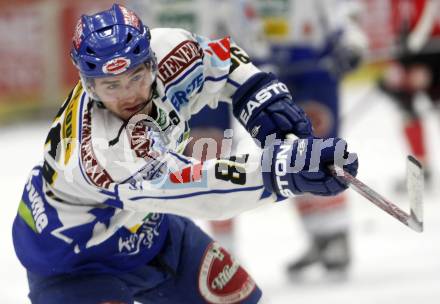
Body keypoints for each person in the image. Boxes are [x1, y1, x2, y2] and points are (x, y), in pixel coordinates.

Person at [12, 4, 358, 304]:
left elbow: (222, 59)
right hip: (74, 265)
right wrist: (282, 173)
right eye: (111, 86)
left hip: (151, 232)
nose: (128, 94)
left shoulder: (170, 49)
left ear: (150, 61)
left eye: (135, 76)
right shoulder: (100, 149)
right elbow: (201, 190)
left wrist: (262, 98)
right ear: (89, 86)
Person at [255, 0, 368, 277]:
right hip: (273, 74)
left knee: (322, 151)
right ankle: (317, 236)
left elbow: (347, 16)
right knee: (288, 155)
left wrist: (352, 46)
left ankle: (338, 235)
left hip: (316, 72)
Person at [378, 0, 440, 191]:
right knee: (405, 106)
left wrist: (418, 42)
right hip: (408, 51)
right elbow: (396, 17)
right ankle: (420, 169)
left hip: (433, 48)